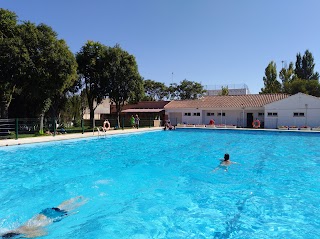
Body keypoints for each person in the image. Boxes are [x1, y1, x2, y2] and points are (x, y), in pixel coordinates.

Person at [1, 196, 87, 239]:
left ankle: (83, 200)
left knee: (72, 209)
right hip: (43, 214)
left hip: (52, 217)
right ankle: (76, 198)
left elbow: (44, 233)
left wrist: (27, 237)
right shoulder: (17, 229)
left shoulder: (27, 232)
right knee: (61, 206)